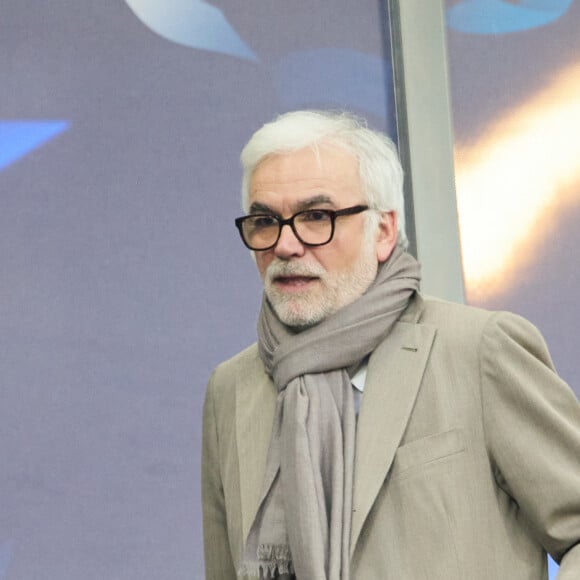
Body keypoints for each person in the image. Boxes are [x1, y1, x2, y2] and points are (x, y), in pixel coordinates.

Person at [201, 110, 580, 579]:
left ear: (382, 231)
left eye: (317, 216)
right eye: (265, 220)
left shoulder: (478, 349)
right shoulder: (231, 388)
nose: (286, 245)